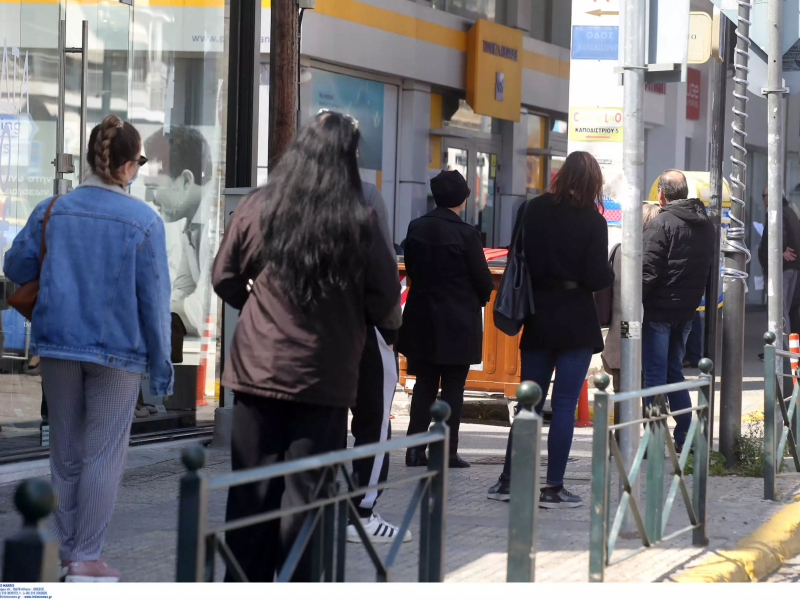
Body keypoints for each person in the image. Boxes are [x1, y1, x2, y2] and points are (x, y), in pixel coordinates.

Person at [212, 112, 400, 582]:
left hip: (256, 372)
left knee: (250, 496)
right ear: (348, 158)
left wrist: (257, 305)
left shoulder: (258, 207)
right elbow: (383, 299)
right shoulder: (360, 219)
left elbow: (224, 277)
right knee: (307, 499)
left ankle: (242, 585)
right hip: (326, 377)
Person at [3, 114, 173, 582]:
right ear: (125, 167)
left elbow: (16, 264)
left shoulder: (53, 209)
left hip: (58, 345)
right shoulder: (144, 221)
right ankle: (85, 556)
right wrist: (161, 369)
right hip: (120, 354)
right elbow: (155, 302)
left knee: (65, 450)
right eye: (138, 160)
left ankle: (67, 553)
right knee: (102, 454)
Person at [487, 151, 613, 508]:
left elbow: (518, 256)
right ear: (593, 184)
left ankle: (509, 481)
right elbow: (596, 277)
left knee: (529, 402)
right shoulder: (592, 221)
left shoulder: (533, 210)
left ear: (560, 176)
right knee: (564, 406)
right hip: (574, 320)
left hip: (537, 315)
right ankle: (553, 487)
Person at [397, 170, 494, 469]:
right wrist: (476, 299)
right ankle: (447, 452)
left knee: (423, 384)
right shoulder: (467, 233)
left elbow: (410, 268)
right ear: (463, 199)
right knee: (453, 387)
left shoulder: (416, 227)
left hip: (421, 316)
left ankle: (414, 450)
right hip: (458, 320)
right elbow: (483, 279)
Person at [345, 181, 409, 544]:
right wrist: (390, 326)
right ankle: (363, 513)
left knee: (317, 422)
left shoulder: (280, 194)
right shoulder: (364, 196)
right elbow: (384, 262)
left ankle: (310, 506)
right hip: (362, 324)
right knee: (373, 420)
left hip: (300, 331)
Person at [640, 170, 715, 452]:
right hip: (687, 312)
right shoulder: (706, 224)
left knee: (655, 376)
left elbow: (647, 271)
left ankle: (653, 440)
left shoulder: (661, 223)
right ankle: (687, 435)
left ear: (661, 194)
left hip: (658, 311)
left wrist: (633, 308)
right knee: (674, 373)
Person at [143, 126, 214, 337]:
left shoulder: (217, 224)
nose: (148, 197)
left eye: (154, 186)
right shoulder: (192, 223)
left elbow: (204, 311)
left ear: (185, 180)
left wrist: (142, 313)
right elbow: (183, 290)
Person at [601, 203, 661, 393]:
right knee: (652, 387)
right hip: (644, 330)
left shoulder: (620, 250)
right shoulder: (654, 252)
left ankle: (627, 421)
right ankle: (652, 423)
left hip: (622, 329)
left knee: (623, 391)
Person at [758, 184, 800, 341]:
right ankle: (783, 348)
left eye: (764, 196)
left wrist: (780, 250)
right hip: (790, 268)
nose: (763, 200)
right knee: (786, 309)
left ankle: (780, 348)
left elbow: (778, 233)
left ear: (771, 196)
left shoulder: (777, 213)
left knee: (779, 311)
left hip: (782, 268)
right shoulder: (790, 211)